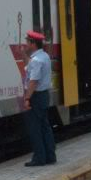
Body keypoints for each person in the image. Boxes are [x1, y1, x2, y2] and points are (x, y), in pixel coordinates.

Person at [22, 30, 56, 166]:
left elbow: (33, 81)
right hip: (44, 96)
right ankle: (50, 155)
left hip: (36, 96)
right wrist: (24, 55)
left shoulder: (36, 60)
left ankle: (39, 158)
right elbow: (29, 67)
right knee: (45, 127)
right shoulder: (44, 57)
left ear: (33, 43)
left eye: (27, 42)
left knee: (35, 128)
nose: (26, 44)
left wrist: (27, 98)